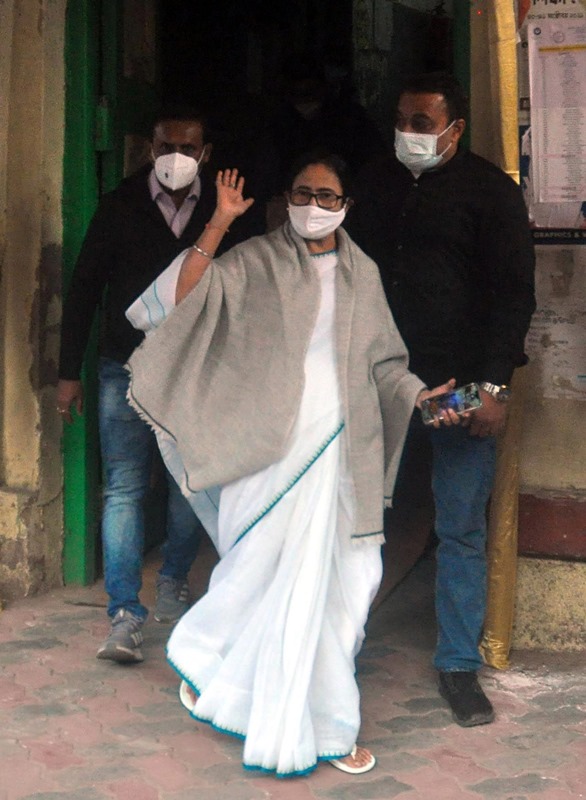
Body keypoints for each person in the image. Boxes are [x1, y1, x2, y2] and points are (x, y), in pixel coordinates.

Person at [125, 152, 459, 776]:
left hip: (342, 451)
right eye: (303, 193)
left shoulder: (364, 275)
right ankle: (227, 673)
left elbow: (385, 364)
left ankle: (324, 713)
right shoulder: (254, 263)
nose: (314, 205)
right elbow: (186, 301)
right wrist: (221, 222)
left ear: (347, 206)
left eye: (328, 196)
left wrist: (417, 395)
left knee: (344, 584)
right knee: (256, 571)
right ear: (286, 199)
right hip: (270, 452)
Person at [347, 72, 536, 727]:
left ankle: (458, 667)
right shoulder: (373, 182)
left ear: (455, 129)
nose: (409, 134)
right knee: (357, 521)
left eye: (423, 123)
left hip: (459, 389)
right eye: (403, 120)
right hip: (380, 386)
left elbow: (513, 296)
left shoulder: (491, 193)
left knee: (459, 530)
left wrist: (493, 387)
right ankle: (334, 648)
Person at [57, 107, 256, 664]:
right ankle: (124, 611)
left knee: (188, 485)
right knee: (123, 486)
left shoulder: (226, 209)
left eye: (189, 148)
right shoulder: (120, 205)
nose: (177, 157)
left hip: (195, 370)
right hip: (123, 366)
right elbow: (84, 289)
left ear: (206, 153)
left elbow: (245, 292)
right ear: (150, 147)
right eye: (167, 145)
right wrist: (68, 371)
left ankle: (173, 582)